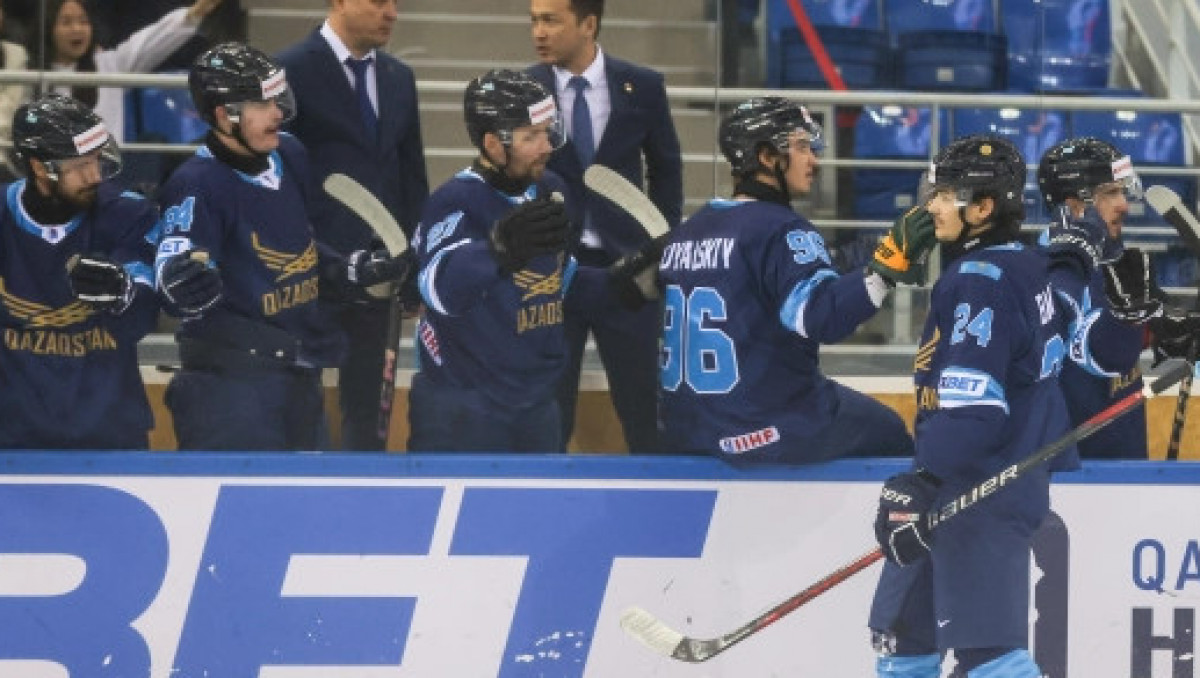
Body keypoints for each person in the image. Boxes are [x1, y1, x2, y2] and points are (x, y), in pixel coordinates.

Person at [869, 135, 1075, 678]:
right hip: (975, 483)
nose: (931, 206)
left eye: (945, 195)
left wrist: (923, 483)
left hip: (975, 492)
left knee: (989, 656)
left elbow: (974, 409)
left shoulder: (977, 281)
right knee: (904, 643)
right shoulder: (1026, 266)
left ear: (983, 208)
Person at [152, 43, 411, 451]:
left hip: (298, 375)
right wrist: (179, 283)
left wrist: (347, 270)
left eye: (277, 99)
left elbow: (297, 247)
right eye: (262, 104)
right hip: (231, 394)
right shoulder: (197, 184)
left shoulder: (288, 153)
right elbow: (175, 269)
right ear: (223, 115)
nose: (277, 113)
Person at [648, 96, 922, 460]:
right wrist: (885, 270)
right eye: (802, 147)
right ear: (767, 157)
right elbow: (823, 318)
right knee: (892, 432)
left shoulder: (688, 231)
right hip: (766, 429)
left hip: (689, 431)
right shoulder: (782, 229)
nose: (814, 161)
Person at [527, 0, 683, 453]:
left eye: (551, 20)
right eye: (534, 20)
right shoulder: (525, 89)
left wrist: (659, 246)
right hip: (553, 271)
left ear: (588, 24)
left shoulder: (643, 86)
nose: (539, 32)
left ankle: (657, 490)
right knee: (548, 406)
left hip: (629, 271)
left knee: (643, 404)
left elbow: (666, 169)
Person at [276, 0, 429, 451]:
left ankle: (367, 489)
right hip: (308, 268)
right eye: (379, 2)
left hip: (380, 274)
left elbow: (411, 174)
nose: (392, 13)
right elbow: (276, 178)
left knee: (369, 409)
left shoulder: (399, 77)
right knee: (296, 401)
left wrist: (414, 263)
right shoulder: (288, 70)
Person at [407, 69, 573, 453]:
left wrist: (622, 281)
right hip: (464, 405)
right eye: (530, 137)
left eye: (547, 131)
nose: (546, 146)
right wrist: (497, 249)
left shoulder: (550, 189)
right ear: (493, 145)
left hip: (536, 400)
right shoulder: (455, 200)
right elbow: (439, 289)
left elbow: (561, 279)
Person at [0, 93, 159, 449]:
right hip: (13, 442)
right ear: (40, 168)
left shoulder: (127, 214)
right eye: (81, 165)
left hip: (111, 435)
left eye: (98, 159)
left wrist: (125, 292)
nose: (95, 175)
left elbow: (144, 313)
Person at [1037, 137, 1149, 459]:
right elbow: (1107, 353)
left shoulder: (1113, 261)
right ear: (1075, 206)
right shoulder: (1045, 275)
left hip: (1127, 466)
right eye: (1110, 193)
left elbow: (1130, 339)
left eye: (1122, 192)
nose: (1123, 205)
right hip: (1072, 474)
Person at [29, 0, 227, 143]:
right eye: (66, 22)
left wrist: (194, 14)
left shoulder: (109, 65)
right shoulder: (31, 74)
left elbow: (149, 42)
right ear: (49, 29)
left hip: (106, 176)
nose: (77, 29)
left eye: (83, 21)